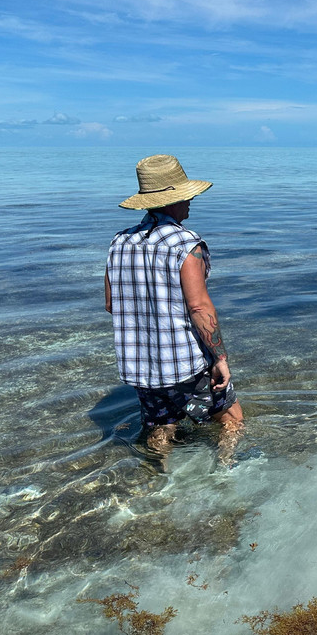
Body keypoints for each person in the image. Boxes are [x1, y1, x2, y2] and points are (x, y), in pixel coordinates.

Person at [104, 154, 244, 467]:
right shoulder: (186, 243)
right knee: (231, 418)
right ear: (171, 201)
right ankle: (226, 473)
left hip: (140, 368)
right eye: (185, 195)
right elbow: (198, 306)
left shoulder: (118, 242)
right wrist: (220, 358)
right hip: (184, 365)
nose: (191, 200)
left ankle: (159, 481)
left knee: (160, 426)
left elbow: (113, 304)